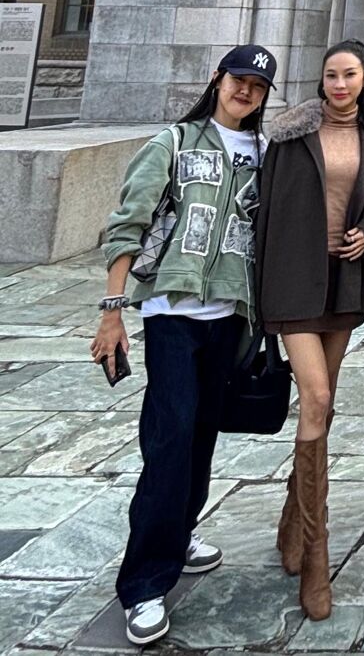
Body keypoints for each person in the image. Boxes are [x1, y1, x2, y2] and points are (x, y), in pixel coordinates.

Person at [93, 45, 276, 647]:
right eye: (238, 79)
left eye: (257, 85)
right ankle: (145, 582)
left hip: (232, 317)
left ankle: (180, 529)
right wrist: (113, 312)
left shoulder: (266, 155)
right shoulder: (174, 142)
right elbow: (129, 222)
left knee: (201, 433)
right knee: (168, 438)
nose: (246, 91)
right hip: (173, 313)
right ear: (217, 79)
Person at [254, 39, 364, 619]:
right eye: (330, 74)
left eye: (349, 75)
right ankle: (316, 556)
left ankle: (293, 519)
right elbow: (263, 211)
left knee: (322, 408)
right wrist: (259, 299)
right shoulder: (288, 137)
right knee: (315, 395)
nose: (339, 84)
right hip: (293, 282)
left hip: (343, 284)